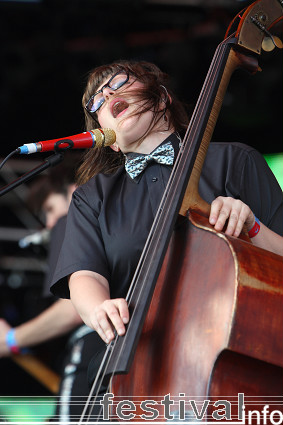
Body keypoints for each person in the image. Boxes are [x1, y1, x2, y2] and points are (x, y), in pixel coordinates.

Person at [50, 60, 283, 356]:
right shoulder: (93, 196)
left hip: (239, 348)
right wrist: (99, 307)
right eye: (97, 99)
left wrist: (252, 226)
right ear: (111, 142)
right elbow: (85, 275)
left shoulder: (235, 161)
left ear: (161, 98)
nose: (107, 95)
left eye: (120, 83)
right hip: (140, 363)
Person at [0, 163, 103, 422]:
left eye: (49, 209)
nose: (49, 223)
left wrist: (11, 339)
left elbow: (74, 308)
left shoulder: (70, 222)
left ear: (74, 191)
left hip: (92, 349)